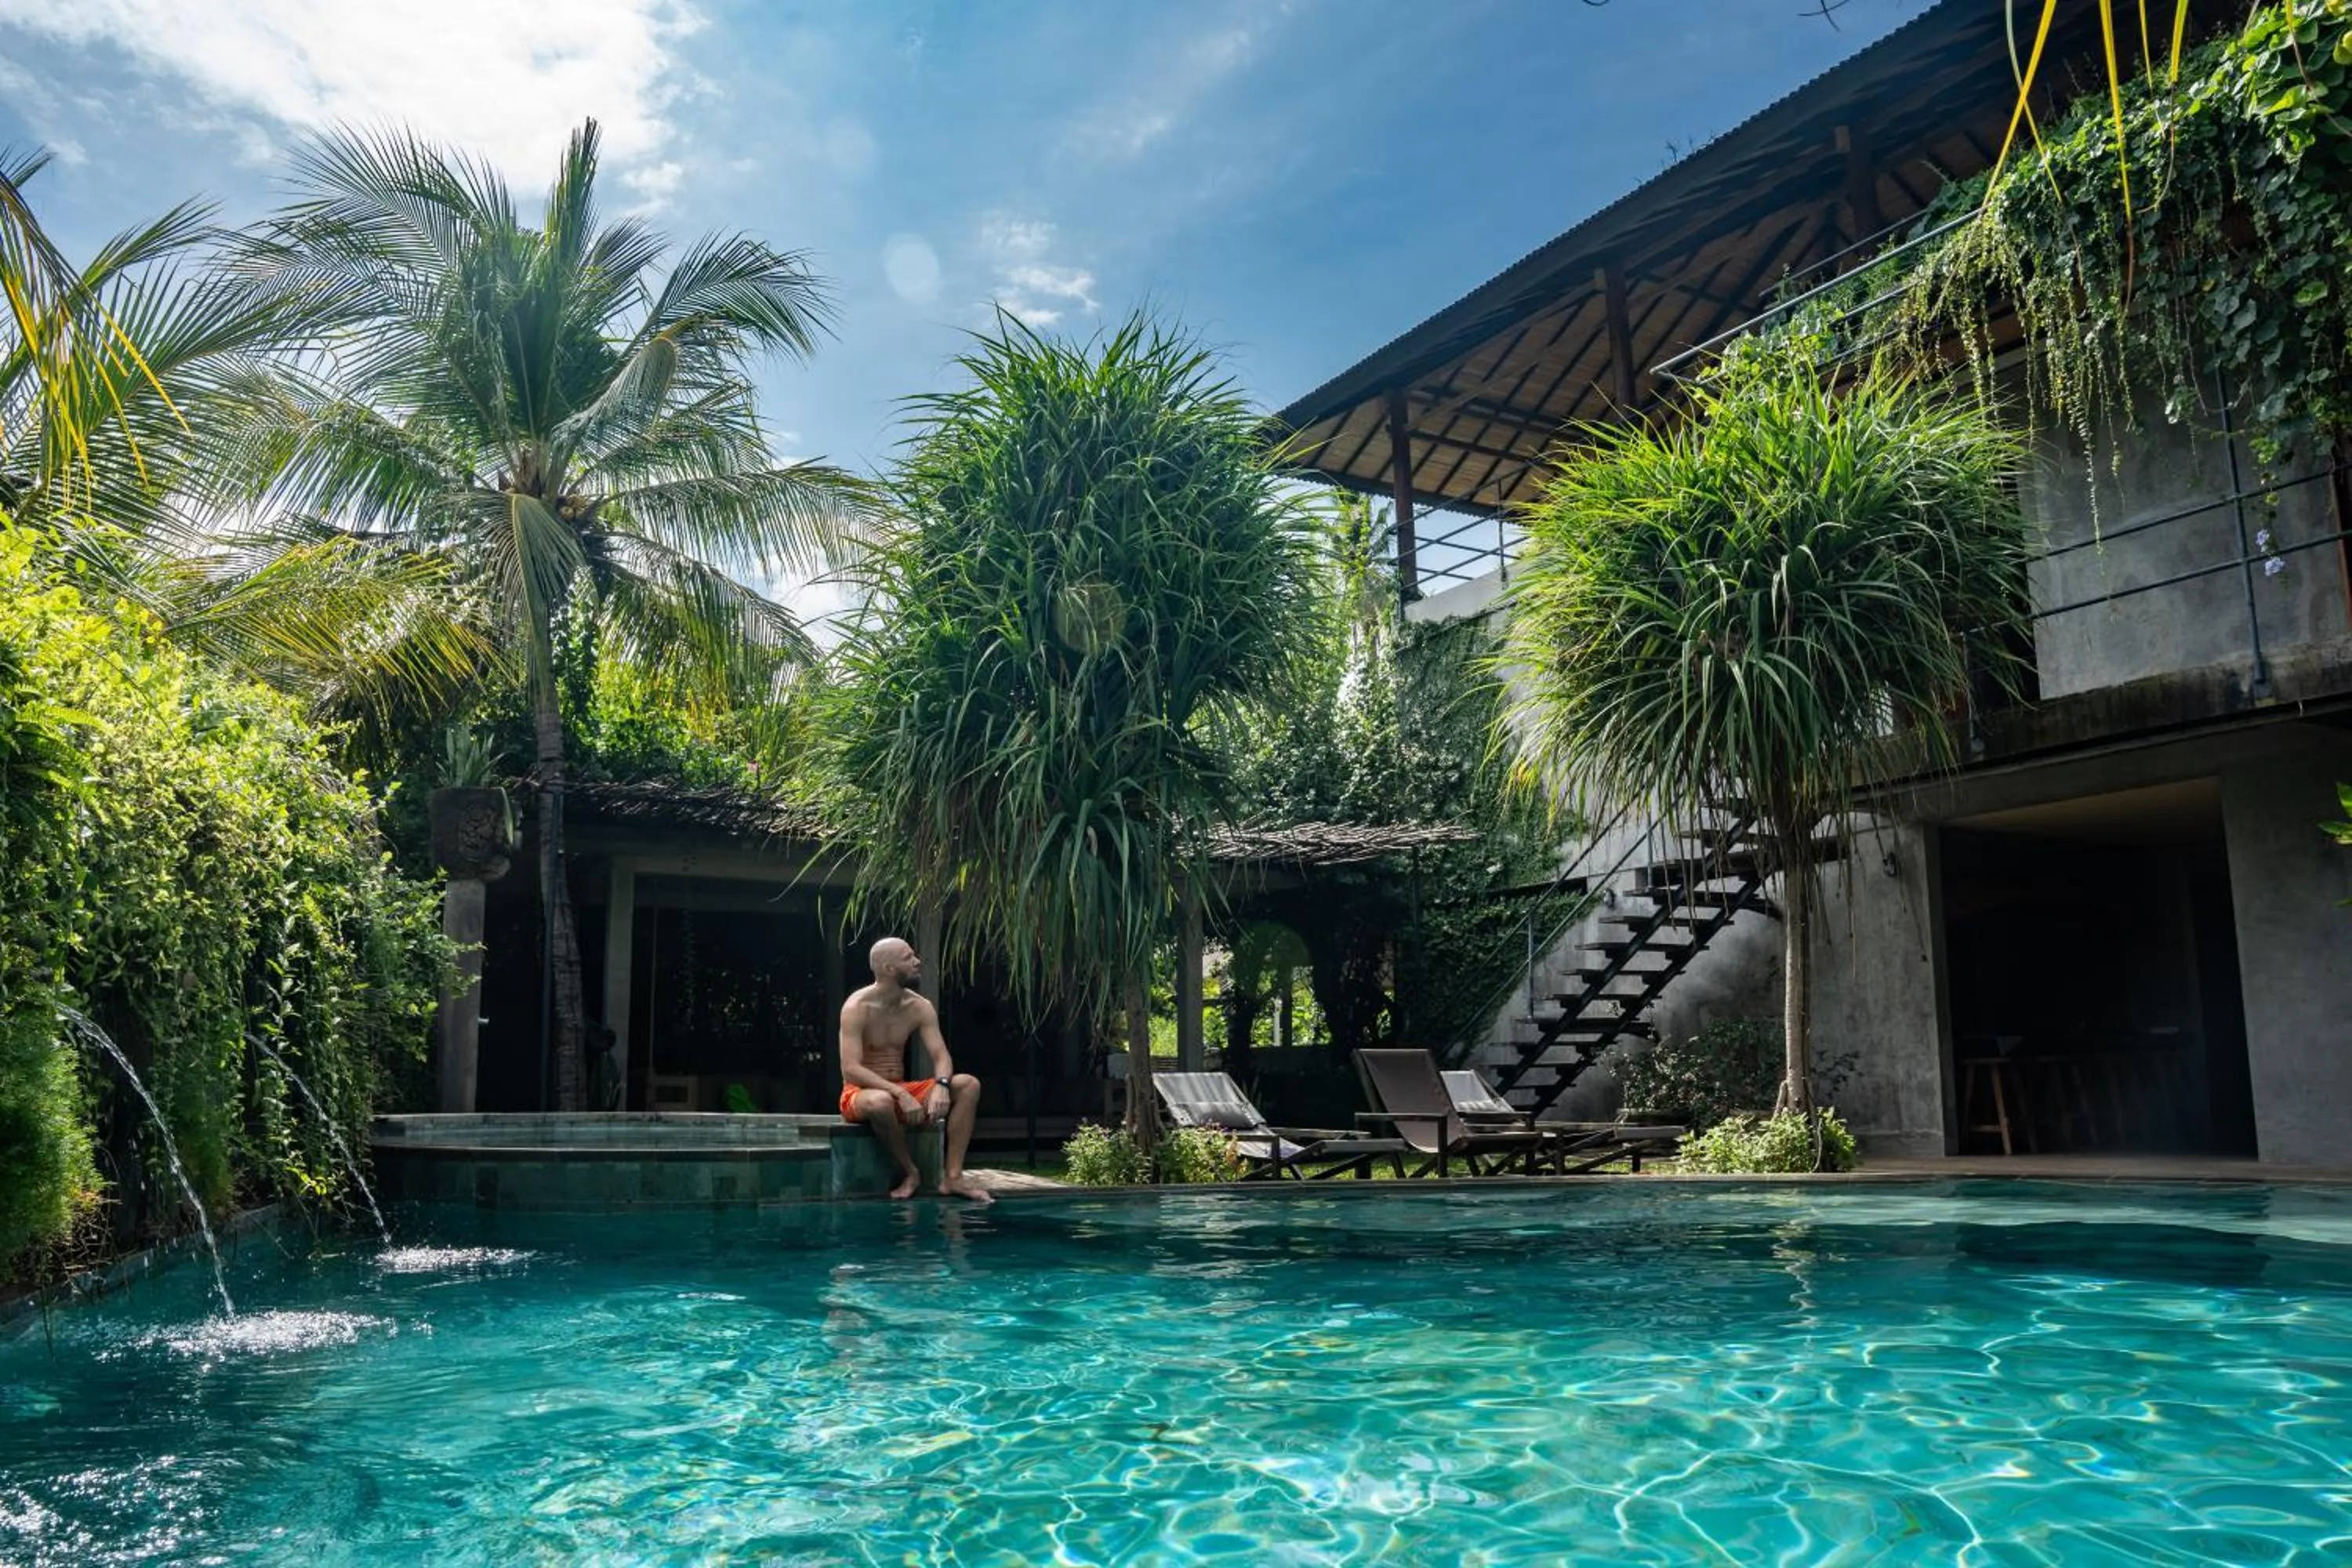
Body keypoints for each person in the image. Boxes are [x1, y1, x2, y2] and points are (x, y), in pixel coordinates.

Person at [838, 937, 991, 1202]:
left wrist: (942, 1086)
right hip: (860, 1093)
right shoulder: (857, 1007)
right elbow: (851, 1069)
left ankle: (953, 1177)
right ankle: (910, 1172)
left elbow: (941, 1055)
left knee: (968, 1085)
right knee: (880, 1101)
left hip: (898, 1088)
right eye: (908, 958)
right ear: (888, 968)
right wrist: (900, 1095)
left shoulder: (920, 1006)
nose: (918, 962)